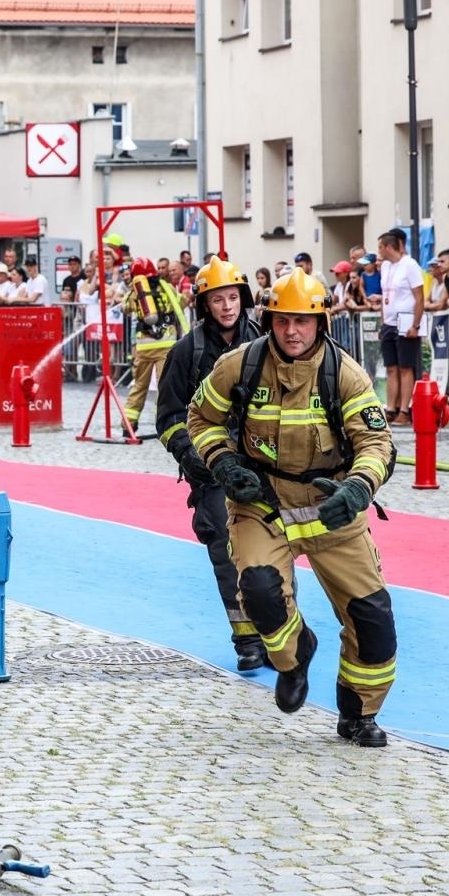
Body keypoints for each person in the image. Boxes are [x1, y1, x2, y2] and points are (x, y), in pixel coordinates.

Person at [186, 269, 398, 747]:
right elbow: (201, 418)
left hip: (333, 508)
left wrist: (359, 489)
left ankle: (358, 713)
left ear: (320, 322)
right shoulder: (238, 366)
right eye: (282, 321)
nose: (292, 331)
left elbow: (376, 441)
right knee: (259, 592)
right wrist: (222, 463)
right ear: (269, 320)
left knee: (373, 620)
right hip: (264, 503)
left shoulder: (344, 374)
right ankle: (294, 656)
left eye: (302, 321)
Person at [156, 257, 267, 672]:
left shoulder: (263, 341)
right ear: (205, 305)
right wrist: (192, 456)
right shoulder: (188, 351)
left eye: (233, 297)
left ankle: (276, 632)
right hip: (213, 469)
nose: (227, 306)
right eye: (218, 299)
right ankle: (248, 641)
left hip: (263, 467)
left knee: (276, 551)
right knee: (226, 549)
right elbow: (167, 417)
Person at [124, 256, 189, 436]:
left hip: (143, 346)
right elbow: (182, 302)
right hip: (166, 344)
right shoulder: (166, 287)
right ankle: (164, 424)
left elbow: (125, 307)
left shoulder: (137, 291)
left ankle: (128, 425)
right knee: (164, 386)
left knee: (139, 386)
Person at [375, 229, 423, 425]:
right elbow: (385, 297)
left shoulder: (409, 265)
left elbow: (419, 297)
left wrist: (416, 324)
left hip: (406, 321)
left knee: (405, 367)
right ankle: (391, 407)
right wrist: (382, 322)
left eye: (380, 247)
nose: (378, 251)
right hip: (389, 322)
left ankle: (405, 408)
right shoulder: (385, 266)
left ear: (388, 247)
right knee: (391, 368)